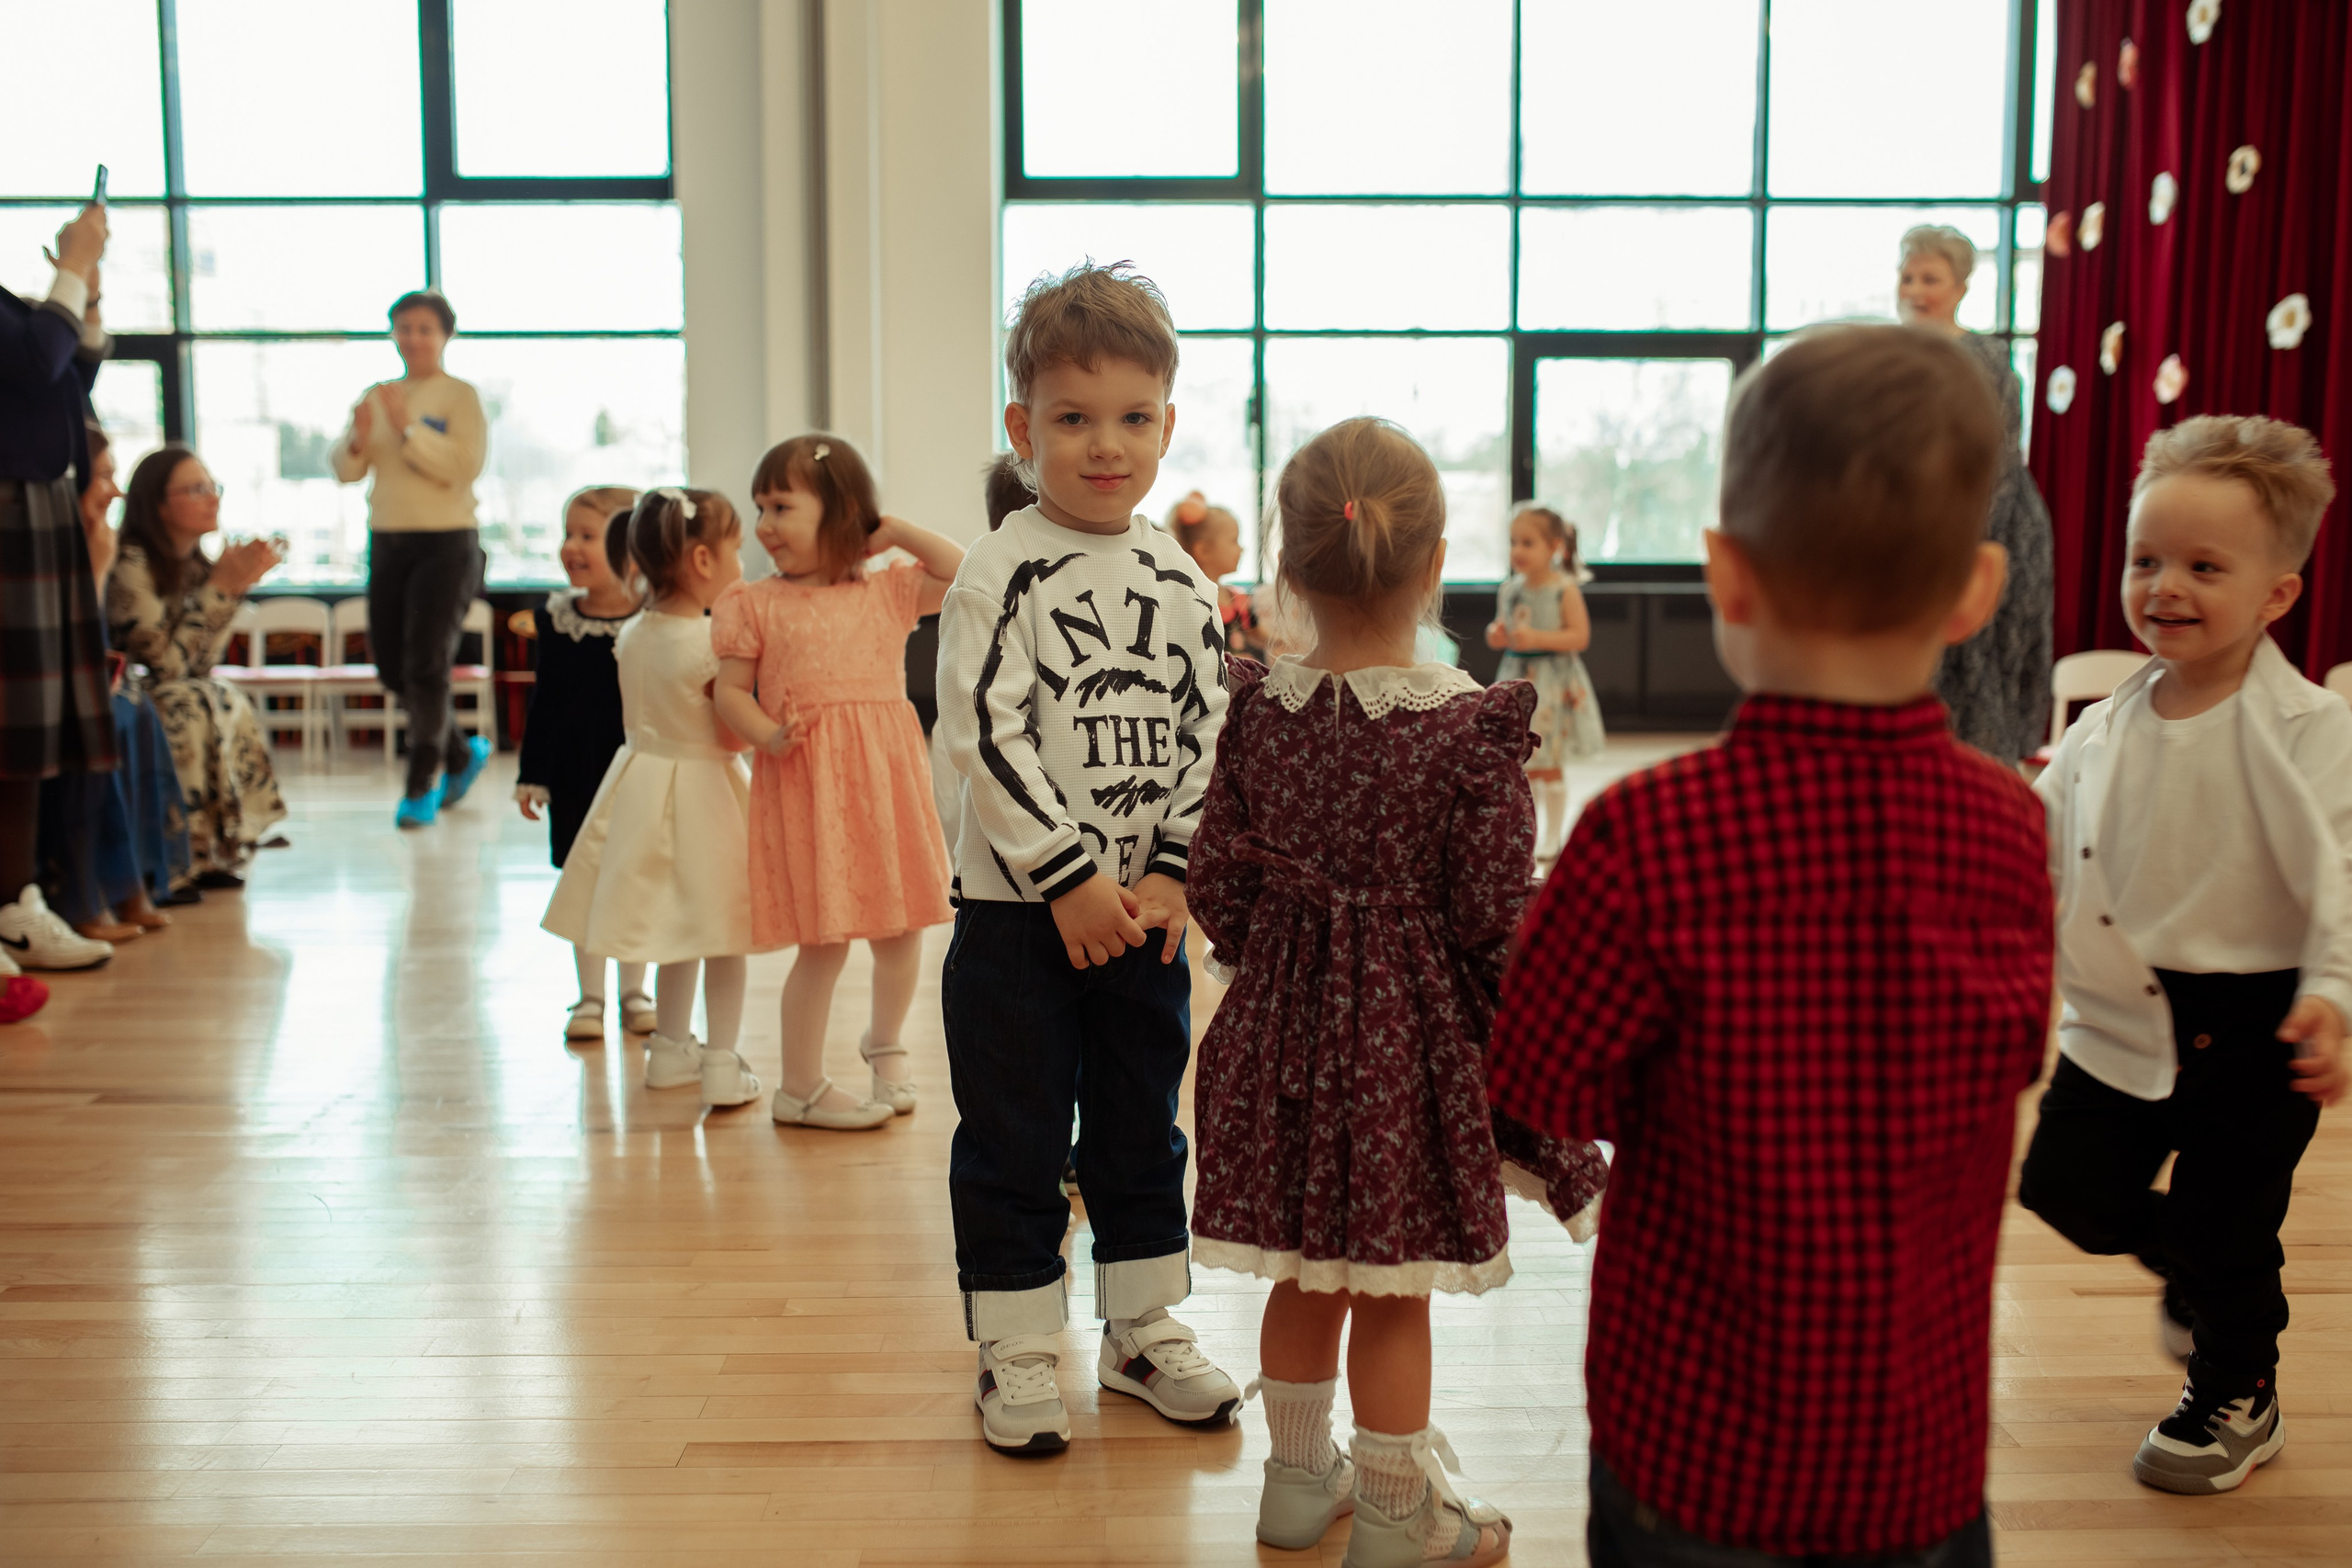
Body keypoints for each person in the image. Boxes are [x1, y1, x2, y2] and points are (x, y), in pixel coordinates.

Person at [1489, 325, 2053, 1567]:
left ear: (1725, 576)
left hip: (1695, 1439)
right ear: (1975, 590)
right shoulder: (2013, 829)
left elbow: (1536, 1084)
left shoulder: (1649, 837)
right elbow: (2012, 1063)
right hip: (1922, 1447)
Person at [1189, 417, 1607, 1566]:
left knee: (1299, 1267)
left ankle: (1290, 1485)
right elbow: (1489, 917)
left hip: (1277, 1031)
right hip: (1401, 1052)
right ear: (1433, 567)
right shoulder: (1469, 728)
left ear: (1288, 566)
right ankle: (1391, 1514)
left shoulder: (1259, 710)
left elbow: (1217, 882)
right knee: (1385, 1287)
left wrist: (1275, 963)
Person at [933, 261, 1241, 1456]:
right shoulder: (995, 568)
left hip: (1148, 917)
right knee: (1011, 1128)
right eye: (1072, 418)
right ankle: (1015, 1338)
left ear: (1166, 423)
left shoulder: (1184, 581)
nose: (1103, 445)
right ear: (1023, 429)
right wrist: (1067, 877)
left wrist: (1169, 873)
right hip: (1021, 917)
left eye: (1131, 418)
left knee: (1140, 1120)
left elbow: (1210, 738)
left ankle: (1140, 1324)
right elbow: (985, 732)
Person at [2018, 415, 2349, 1497]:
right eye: (2144, 559)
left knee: (2230, 1222)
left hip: (2259, 1029)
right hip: (2119, 1012)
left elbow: (2342, 880)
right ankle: (2202, 1278)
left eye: (2204, 566)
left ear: (2275, 596)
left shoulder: (2311, 730)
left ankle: (2235, 1388)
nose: (2164, 586)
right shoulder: (2105, 722)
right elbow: (2039, 839)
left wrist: (2334, 998)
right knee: (2065, 1189)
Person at [712, 435, 961, 1130]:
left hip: (883, 778)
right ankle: (799, 1085)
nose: (765, 523)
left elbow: (968, 573)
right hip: (809, 777)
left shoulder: (887, 590)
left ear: (843, 511)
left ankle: (885, 1045)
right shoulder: (752, 602)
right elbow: (730, 691)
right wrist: (766, 734)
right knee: (822, 943)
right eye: (760, 506)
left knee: (901, 927)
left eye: (783, 506)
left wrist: (893, 530)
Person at [541, 490, 767, 1108]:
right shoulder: (705, 642)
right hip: (704, 790)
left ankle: (669, 1049)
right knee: (722, 932)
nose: (741, 565)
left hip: (640, 780)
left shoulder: (636, 631)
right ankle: (721, 1058)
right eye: (735, 551)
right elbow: (727, 728)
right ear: (701, 561)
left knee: (676, 926)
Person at [0, 202, 120, 987]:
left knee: (26, 735)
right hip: (7, 507)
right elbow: (39, 358)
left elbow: (69, 372)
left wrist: (90, 293)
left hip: (35, 505)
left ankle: (17, 905)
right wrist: (72, 263)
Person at [331, 288, 492, 829]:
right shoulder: (376, 395)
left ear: (445, 335)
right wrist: (357, 439)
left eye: (425, 328)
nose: (414, 338)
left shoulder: (459, 397)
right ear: (393, 335)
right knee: (394, 668)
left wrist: (406, 429)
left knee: (427, 664)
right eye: (404, 328)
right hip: (389, 540)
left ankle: (421, 779)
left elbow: (462, 466)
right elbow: (346, 470)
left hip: (447, 542)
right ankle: (462, 754)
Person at [1898, 223, 2055, 763]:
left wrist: (1963, 541)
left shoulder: (1987, 361)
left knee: (1984, 665)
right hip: (1911, 529)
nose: (1915, 289)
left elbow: (1999, 461)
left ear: (1960, 286)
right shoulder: (1888, 358)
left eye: (1930, 278)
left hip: (1993, 527)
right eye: (1908, 276)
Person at [107, 446, 288, 891]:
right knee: (189, 700)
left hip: (170, 686)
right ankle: (177, 858)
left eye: (213, 487)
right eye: (196, 489)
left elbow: (202, 663)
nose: (213, 499)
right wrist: (221, 590)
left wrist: (231, 588)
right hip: (123, 688)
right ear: (159, 504)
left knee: (220, 693)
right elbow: (165, 665)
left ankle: (212, 850)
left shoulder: (195, 568)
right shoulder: (131, 564)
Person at [39, 423, 190, 943]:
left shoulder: (97, 537)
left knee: (136, 709)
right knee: (99, 720)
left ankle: (133, 882)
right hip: (39, 686)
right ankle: (84, 897)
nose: (114, 491)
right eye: (103, 477)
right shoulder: (53, 545)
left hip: (77, 673)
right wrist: (98, 571)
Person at [515, 485, 653, 1043]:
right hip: (575, 773)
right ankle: (590, 996)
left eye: (588, 536)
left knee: (635, 878)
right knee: (586, 881)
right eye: (567, 533)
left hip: (636, 772)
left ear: (629, 548)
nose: (571, 546)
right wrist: (533, 772)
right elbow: (544, 701)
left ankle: (634, 990)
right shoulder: (555, 619)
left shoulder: (655, 618)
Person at [1485, 504, 1603, 859]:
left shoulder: (1563, 590)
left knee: (1548, 759)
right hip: (1518, 679)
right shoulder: (1510, 590)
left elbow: (1579, 637)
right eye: (1513, 542)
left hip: (1553, 682)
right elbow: (1496, 633)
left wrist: (1536, 637)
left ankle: (1553, 835)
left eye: (1527, 543)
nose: (1517, 551)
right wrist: (1498, 634)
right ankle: (1529, 833)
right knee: (1523, 761)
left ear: (1553, 547)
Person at [1168, 491, 1266, 660]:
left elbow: (1262, 637)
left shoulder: (1237, 601)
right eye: (1234, 540)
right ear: (1203, 550)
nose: (1241, 549)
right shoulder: (1185, 601)